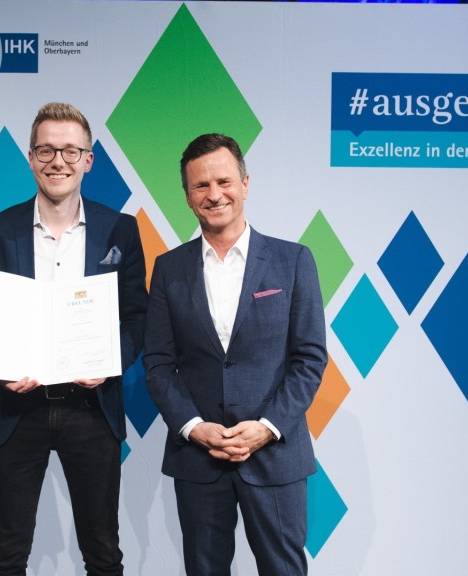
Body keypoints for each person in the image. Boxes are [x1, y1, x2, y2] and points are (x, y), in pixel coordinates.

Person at [0, 102, 147, 576]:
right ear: (29, 157)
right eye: (46, 149)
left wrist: (109, 361)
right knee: (8, 554)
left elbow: (137, 317)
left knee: (103, 553)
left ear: (89, 159)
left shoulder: (119, 229)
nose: (57, 161)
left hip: (91, 408)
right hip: (16, 410)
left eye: (69, 150)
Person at [144, 133, 327, 575]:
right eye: (200, 186)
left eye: (223, 181)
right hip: (199, 458)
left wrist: (266, 427)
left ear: (245, 183)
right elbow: (158, 364)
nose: (214, 194)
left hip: (275, 456)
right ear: (187, 196)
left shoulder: (293, 260)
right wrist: (193, 427)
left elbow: (309, 359)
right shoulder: (169, 269)